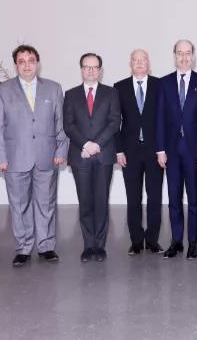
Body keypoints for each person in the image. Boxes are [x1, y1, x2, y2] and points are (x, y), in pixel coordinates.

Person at [0, 45, 68, 267]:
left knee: (46, 204)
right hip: (14, 158)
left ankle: (46, 246)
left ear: (37, 63)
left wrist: (61, 150)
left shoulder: (53, 88)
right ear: (16, 65)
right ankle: (23, 248)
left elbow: (60, 123)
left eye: (31, 60)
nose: (26, 65)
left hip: (47, 156)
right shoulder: (1, 90)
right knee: (19, 205)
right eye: (21, 61)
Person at [63, 53, 121, 262]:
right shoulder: (70, 94)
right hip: (80, 156)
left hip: (103, 155)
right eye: (86, 67)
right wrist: (86, 144)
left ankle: (100, 246)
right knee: (85, 201)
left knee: (101, 201)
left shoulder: (111, 93)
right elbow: (68, 125)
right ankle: (88, 245)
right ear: (81, 70)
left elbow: (114, 121)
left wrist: (97, 144)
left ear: (100, 70)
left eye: (94, 67)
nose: (90, 70)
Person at [156, 39, 197, 259]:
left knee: (194, 198)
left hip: (194, 150)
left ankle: (193, 242)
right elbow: (159, 118)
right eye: (180, 53)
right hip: (171, 150)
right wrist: (160, 149)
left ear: (193, 56)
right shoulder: (164, 83)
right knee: (174, 198)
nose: (184, 57)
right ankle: (176, 240)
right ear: (174, 55)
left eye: (188, 53)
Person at [114, 49, 163, 256]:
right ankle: (135, 241)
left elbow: (164, 119)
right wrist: (118, 150)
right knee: (133, 198)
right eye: (136, 60)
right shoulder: (120, 87)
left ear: (148, 63)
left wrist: (162, 149)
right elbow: (115, 122)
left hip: (155, 151)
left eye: (143, 60)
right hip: (130, 152)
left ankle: (152, 240)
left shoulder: (159, 85)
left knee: (155, 197)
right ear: (130, 63)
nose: (140, 63)